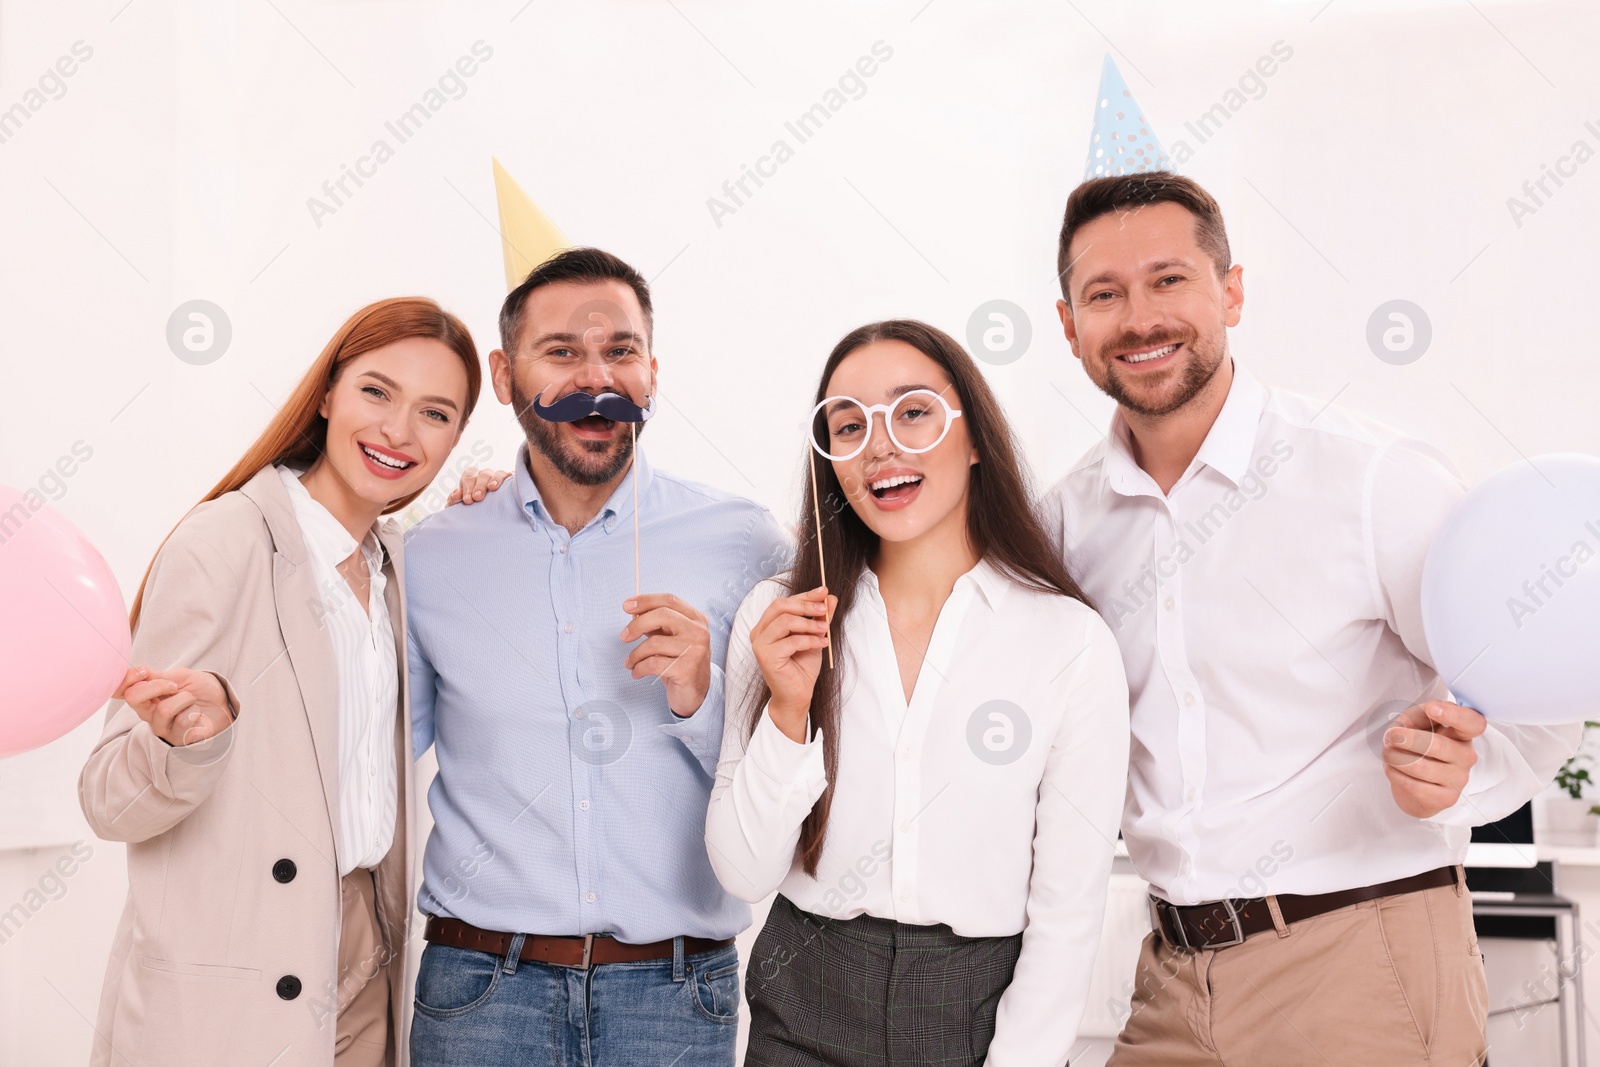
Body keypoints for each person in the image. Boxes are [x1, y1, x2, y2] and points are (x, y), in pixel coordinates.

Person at [1044, 171, 1582, 1066]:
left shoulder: (1371, 478)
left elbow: (1536, 696)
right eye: (1105, 293)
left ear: (1233, 291)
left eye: (1169, 279)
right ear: (1069, 325)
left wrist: (1462, 779)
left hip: (1360, 956)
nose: (1140, 317)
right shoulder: (1064, 524)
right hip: (1171, 971)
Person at [704, 319, 1131, 1067]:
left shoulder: (1070, 641)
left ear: (973, 439)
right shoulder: (781, 618)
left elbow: (1067, 912)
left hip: (980, 1008)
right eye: (847, 424)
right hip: (804, 1000)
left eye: (912, 412)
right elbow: (744, 873)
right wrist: (787, 709)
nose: (879, 445)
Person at [404, 247, 790, 1067]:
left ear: (653, 368)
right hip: (481, 993)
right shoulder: (432, 556)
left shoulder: (744, 542)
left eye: (619, 350)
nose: (596, 378)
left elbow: (793, 764)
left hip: (676, 995)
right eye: (563, 352)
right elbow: (365, 757)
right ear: (505, 376)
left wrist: (703, 693)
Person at [79, 297, 482, 1067]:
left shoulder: (397, 563)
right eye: (376, 391)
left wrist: (489, 503)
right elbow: (105, 797)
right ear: (326, 394)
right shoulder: (225, 541)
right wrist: (184, 744)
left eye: (435, 412)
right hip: (237, 961)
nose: (398, 431)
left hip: (368, 943)